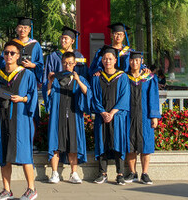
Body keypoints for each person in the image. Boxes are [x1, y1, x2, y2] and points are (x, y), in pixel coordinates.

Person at [0, 39, 39, 200]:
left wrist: (23, 99)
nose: (8, 56)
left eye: (12, 53)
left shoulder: (27, 74)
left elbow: (33, 96)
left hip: (21, 119)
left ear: (18, 56)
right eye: (6, 53)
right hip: (2, 118)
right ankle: (6, 190)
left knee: (24, 153)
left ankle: (31, 189)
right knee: (3, 155)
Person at [44, 51, 89, 184]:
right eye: (64, 63)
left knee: (73, 145)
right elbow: (48, 98)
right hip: (58, 116)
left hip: (74, 116)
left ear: (75, 64)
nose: (67, 66)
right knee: (56, 144)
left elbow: (87, 93)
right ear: (61, 63)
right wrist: (49, 83)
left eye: (70, 63)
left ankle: (73, 173)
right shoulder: (56, 79)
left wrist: (78, 80)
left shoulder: (79, 78)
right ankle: (54, 173)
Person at [90, 46, 130, 184]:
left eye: (110, 59)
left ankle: (120, 174)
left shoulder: (123, 76)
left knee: (118, 143)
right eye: (105, 59)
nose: (107, 61)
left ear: (115, 60)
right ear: (101, 60)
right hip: (102, 116)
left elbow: (125, 97)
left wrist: (112, 112)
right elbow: (94, 97)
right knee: (102, 143)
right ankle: (102, 173)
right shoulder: (96, 77)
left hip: (117, 117)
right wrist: (103, 112)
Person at [124, 51, 161, 185]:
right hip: (129, 115)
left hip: (145, 116)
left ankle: (145, 173)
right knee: (130, 144)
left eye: (137, 60)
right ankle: (132, 172)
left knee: (146, 144)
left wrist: (154, 116)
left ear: (141, 61)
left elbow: (153, 97)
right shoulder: (124, 77)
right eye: (132, 60)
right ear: (129, 62)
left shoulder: (149, 77)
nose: (134, 63)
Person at [12, 17, 43, 84]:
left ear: (29, 29)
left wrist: (32, 65)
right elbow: (3, 61)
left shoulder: (36, 45)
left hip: (30, 78)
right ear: (17, 29)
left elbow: (40, 64)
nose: (22, 30)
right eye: (20, 27)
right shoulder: (12, 44)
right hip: (14, 78)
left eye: (25, 28)